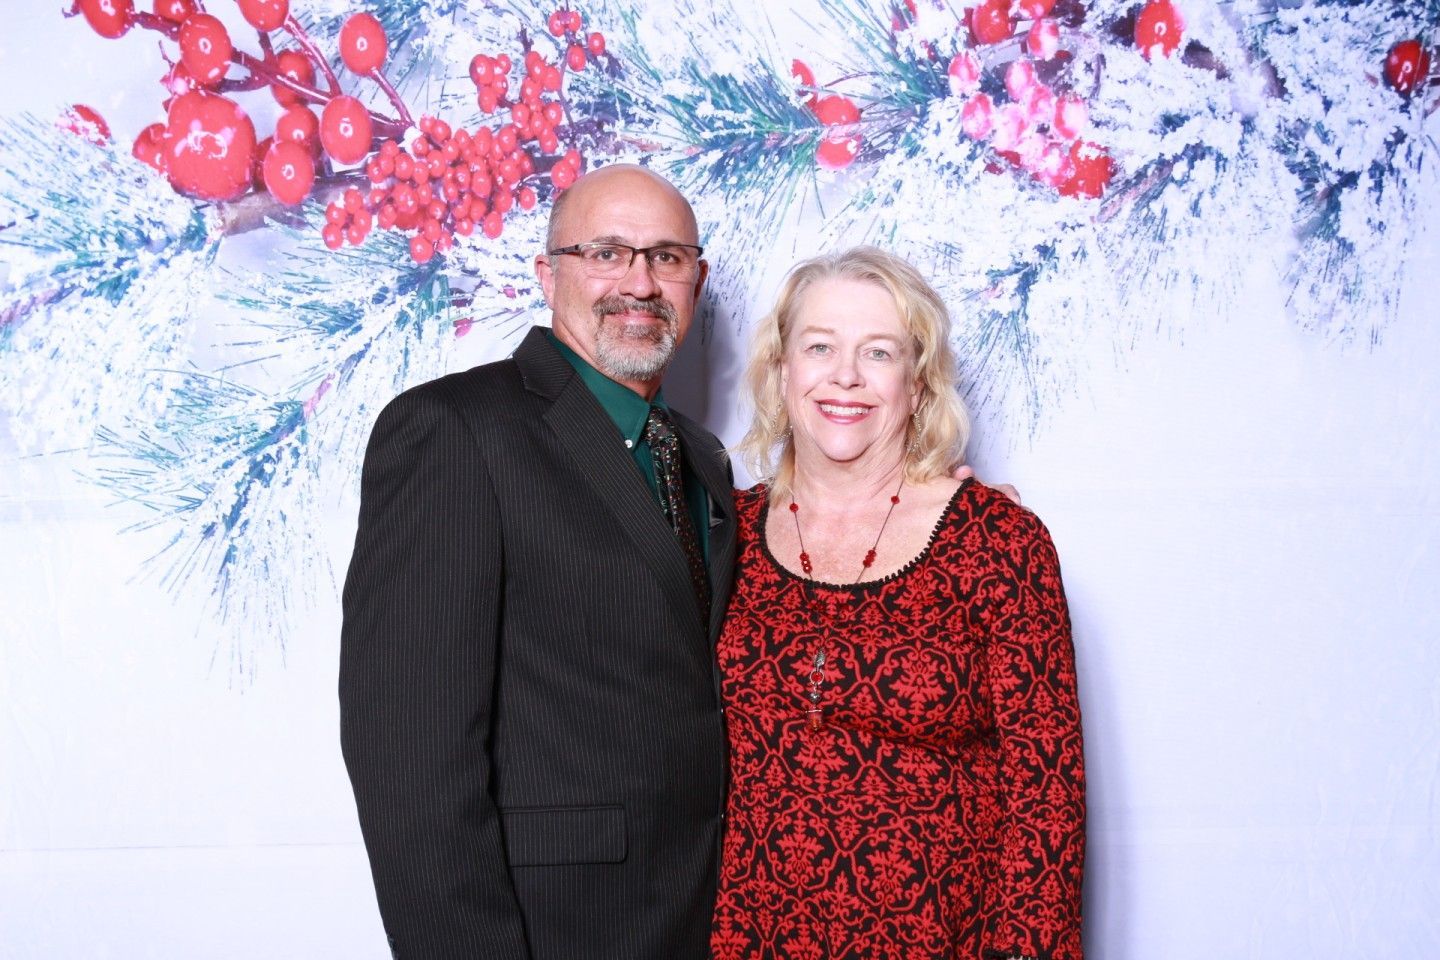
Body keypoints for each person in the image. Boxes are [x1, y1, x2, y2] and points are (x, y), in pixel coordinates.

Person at [339, 164, 736, 959]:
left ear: (696, 279)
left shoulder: (698, 456)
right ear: (547, 275)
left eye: (666, 257)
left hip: (702, 917)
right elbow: (410, 759)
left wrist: (925, 488)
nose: (640, 281)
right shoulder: (454, 433)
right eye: (606, 254)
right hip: (552, 927)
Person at [710, 247, 1085, 960]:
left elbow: (1047, 799)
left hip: (942, 940)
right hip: (743, 938)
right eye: (819, 346)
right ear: (782, 370)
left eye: (878, 352)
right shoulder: (721, 534)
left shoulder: (999, 543)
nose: (844, 375)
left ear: (918, 384)